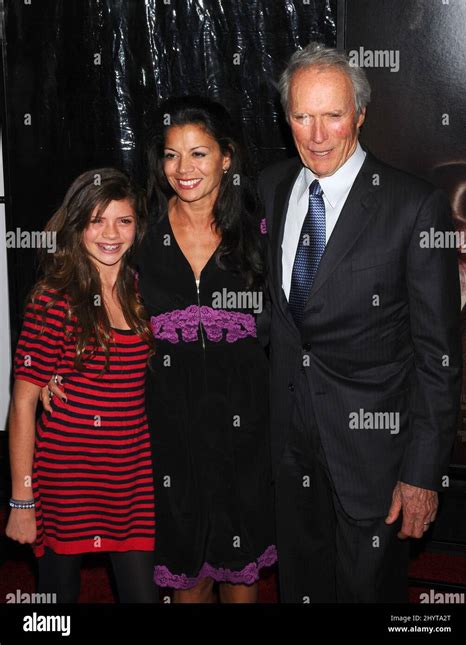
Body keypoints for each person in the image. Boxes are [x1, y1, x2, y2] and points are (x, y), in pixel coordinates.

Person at [258, 43, 461, 602]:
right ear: (286, 117)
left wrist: (422, 473)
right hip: (290, 448)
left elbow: (437, 356)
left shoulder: (413, 206)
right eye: (302, 116)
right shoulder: (271, 189)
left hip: (374, 458)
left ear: (361, 114)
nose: (317, 134)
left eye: (333, 115)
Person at [137, 96, 275, 603]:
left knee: (240, 568)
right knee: (185, 566)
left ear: (226, 157)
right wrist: (63, 368)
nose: (183, 168)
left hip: (242, 422)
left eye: (199, 153)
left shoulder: (260, 226)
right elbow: (96, 295)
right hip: (168, 424)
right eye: (171, 155)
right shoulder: (141, 227)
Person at [6, 168, 158, 603]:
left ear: (137, 227)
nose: (110, 233)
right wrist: (21, 501)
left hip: (131, 480)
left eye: (123, 221)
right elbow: (21, 406)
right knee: (58, 603)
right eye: (97, 220)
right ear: (78, 226)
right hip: (67, 477)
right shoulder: (54, 298)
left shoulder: (142, 289)